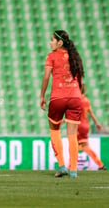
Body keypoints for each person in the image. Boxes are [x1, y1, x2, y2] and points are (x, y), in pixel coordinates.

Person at [40, 30, 84, 178]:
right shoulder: (75, 57)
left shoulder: (51, 56)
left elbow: (46, 77)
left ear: (59, 43)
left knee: (54, 130)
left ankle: (62, 166)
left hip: (57, 98)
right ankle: (74, 171)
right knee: (72, 135)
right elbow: (80, 82)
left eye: (52, 40)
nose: (50, 42)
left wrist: (42, 96)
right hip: (75, 98)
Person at [78, 84, 107, 170]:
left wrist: (64, 121)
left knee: (76, 146)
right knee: (82, 146)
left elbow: (74, 114)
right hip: (86, 125)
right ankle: (100, 164)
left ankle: (70, 166)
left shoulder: (77, 100)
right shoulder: (86, 100)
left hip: (79, 126)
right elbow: (91, 113)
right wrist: (97, 123)